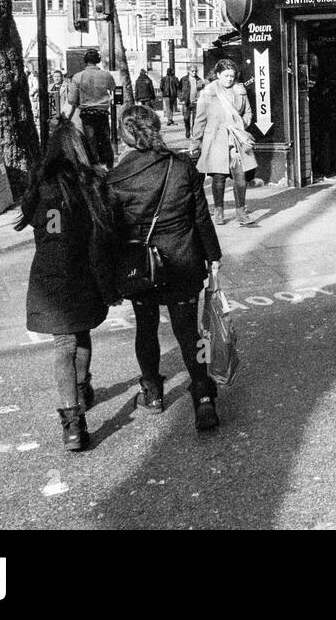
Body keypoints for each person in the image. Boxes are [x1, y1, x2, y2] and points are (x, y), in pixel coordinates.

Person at [108, 105, 222, 432]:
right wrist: (213, 254)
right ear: (156, 127)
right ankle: (202, 395)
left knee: (145, 328)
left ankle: (153, 393)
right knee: (188, 332)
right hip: (184, 259)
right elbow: (200, 217)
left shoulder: (116, 180)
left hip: (141, 268)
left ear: (125, 136)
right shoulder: (182, 167)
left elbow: (111, 233)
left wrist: (108, 278)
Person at [15, 122, 117, 452]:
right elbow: (105, 228)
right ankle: (82, 388)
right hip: (84, 269)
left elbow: (31, 217)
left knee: (64, 345)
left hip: (50, 274)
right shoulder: (92, 182)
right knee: (82, 331)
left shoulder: (41, 184)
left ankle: (73, 424)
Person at [190, 59, 255, 227]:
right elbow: (200, 120)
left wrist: (240, 125)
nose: (229, 79)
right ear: (218, 75)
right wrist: (195, 142)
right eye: (226, 75)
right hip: (216, 140)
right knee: (219, 178)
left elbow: (248, 112)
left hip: (237, 140)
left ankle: (241, 211)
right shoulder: (208, 93)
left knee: (240, 177)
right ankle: (219, 211)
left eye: (232, 76)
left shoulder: (240, 91)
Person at [64, 48, 116, 168]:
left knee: (90, 141)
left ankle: (95, 166)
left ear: (85, 61)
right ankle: (109, 165)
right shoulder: (106, 75)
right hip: (102, 113)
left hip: (87, 114)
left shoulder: (78, 77)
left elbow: (72, 100)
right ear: (98, 60)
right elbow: (115, 91)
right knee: (105, 140)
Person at [178, 64, 204, 139]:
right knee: (186, 118)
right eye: (192, 71)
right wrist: (181, 99)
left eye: (196, 71)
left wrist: (200, 99)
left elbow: (202, 90)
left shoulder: (199, 80)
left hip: (196, 102)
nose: (194, 73)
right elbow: (179, 90)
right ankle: (187, 130)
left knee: (195, 120)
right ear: (189, 71)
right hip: (186, 102)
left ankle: (194, 132)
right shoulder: (183, 79)